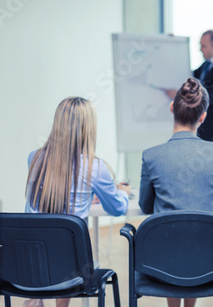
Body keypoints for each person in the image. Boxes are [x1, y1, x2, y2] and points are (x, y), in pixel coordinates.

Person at [139, 77, 213, 307]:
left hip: (162, 263)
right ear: (203, 117)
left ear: (171, 108)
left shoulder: (151, 155)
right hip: (209, 262)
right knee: (193, 241)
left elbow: (146, 206)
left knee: (174, 242)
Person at [24, 97, 130, 307]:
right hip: (70, 273)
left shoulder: (34, 158)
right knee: (67, 252)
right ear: (88, 129)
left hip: (30, 266)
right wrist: (123, 192)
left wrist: (86, 195)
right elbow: (118, 208)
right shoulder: (95, 168)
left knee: (50, 245)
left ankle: (35, 299)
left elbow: (51, 198)